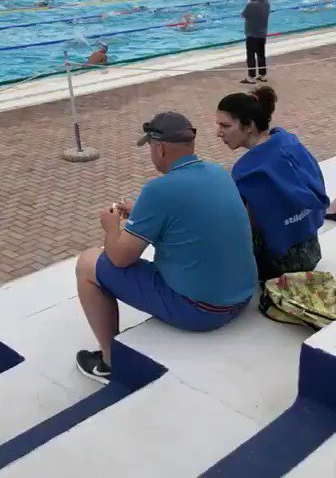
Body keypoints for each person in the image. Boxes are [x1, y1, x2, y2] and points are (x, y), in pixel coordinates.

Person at [75, 112, 257, 382]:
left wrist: (112, 226)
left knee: (88, 263)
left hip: (202, 311)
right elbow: (194, 216)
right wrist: (143, 213)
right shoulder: (219, 173)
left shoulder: (158, 190)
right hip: (242, 297)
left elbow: (120, 258)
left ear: (159, 148)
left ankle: (110, 361)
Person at [216, 86, 330, 281]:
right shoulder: (289, 142)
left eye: (225, 126)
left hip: (279, 266)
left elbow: (244, 230)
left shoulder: (246, 170)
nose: (219, 133)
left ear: (249, 125)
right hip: (311, 250)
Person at [241, 0, 270, 85]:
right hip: (262, 34)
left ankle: (251, 77)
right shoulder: (267, 3)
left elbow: (243, 15)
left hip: (252, 35)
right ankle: (263, 75)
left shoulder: (251, 5)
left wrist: (249, 3)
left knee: (251, 56)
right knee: (261, 55)